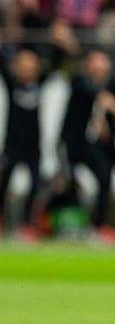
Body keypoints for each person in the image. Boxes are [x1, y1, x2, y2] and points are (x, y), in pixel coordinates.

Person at [0, 26, 76, 243]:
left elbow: (55, 65)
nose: (27, 69)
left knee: (34, 186)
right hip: (12, 144)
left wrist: (60, 44)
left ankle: (26, 227)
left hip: (34, 146)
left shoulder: (40, 83)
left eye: (30, 65)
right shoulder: (11, 83)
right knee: (3, 184)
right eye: (22, 65)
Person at [59, 50, 115, 244]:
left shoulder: (107, 85)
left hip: (92, 145)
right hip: (72, 144)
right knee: (70, 184)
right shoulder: (80, 81)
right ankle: (68, 227)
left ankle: (98, 227)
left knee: (104, 177)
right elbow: (91, 93)